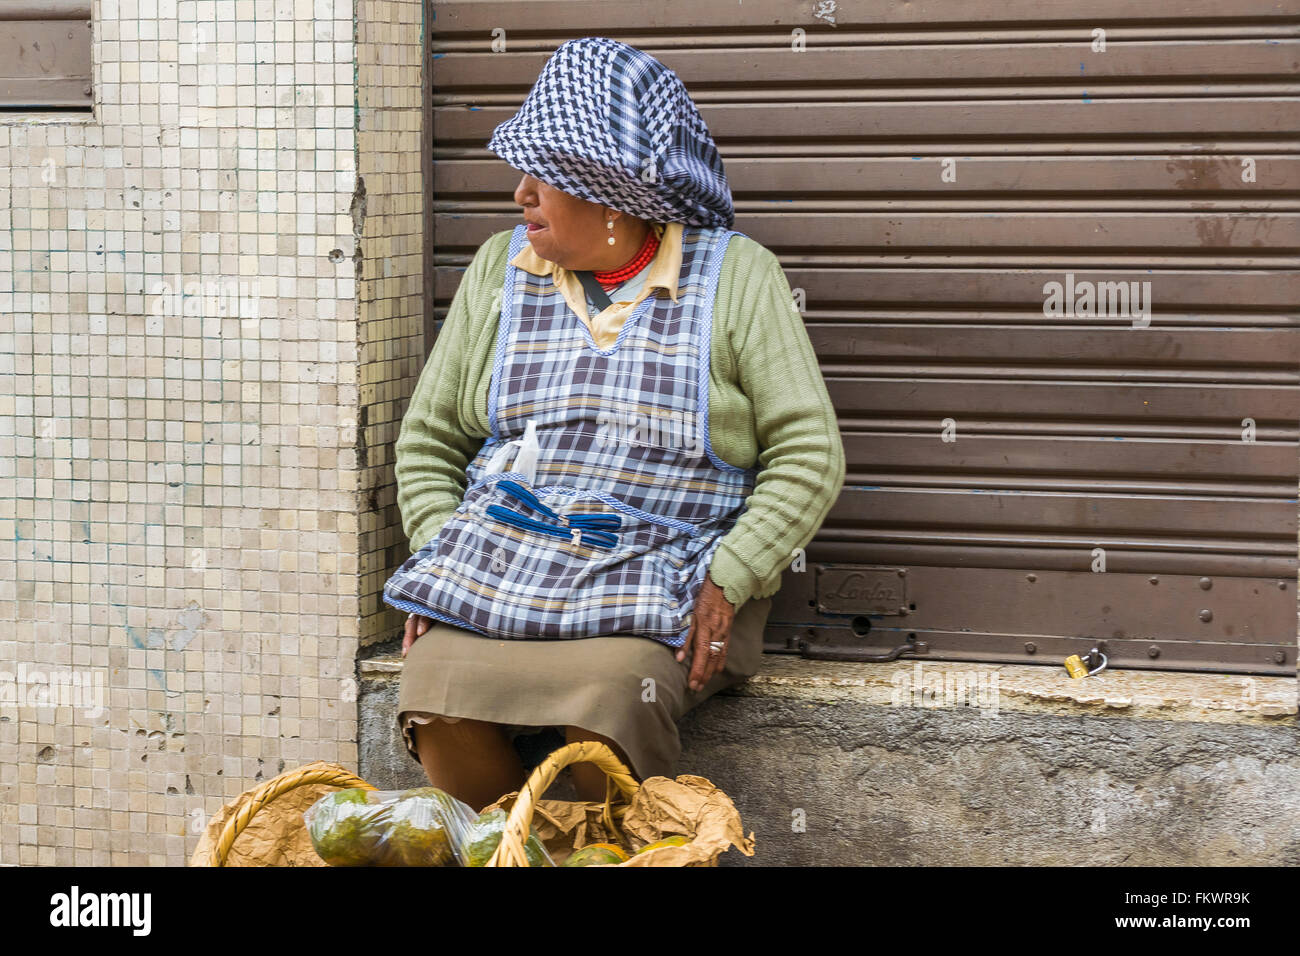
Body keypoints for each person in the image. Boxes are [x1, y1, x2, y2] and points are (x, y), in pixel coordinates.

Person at [386, 37, 844, 810]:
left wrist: (730, 580)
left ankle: (607, 852)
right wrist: (441, 566)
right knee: (434, 688)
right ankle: (516, 852)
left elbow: (809, 453)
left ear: (613, 192)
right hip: (503, 562)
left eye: (546, 176)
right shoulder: (500, 270)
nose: (521, 194)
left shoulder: (736, 277)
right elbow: (428, 440)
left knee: (610, 693)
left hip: (664, 569)